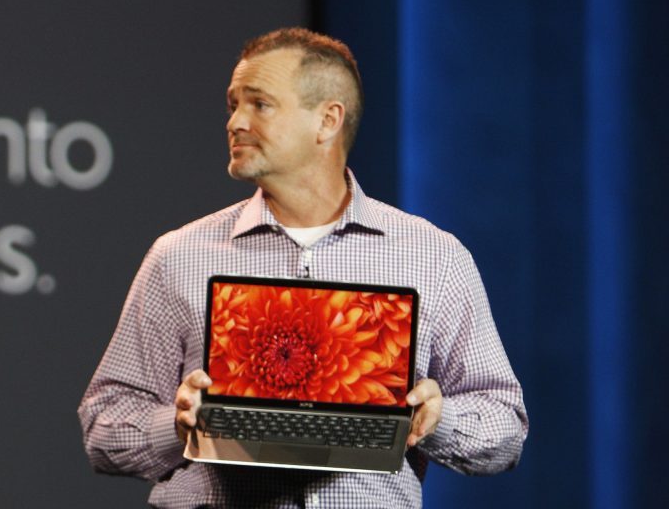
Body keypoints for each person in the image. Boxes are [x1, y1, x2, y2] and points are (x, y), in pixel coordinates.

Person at [78, 27, 528, 508]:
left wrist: (438, 420)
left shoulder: (433, 256)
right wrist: (177, 423)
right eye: (233, 105)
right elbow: (104, 426)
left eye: (259, 104)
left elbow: (504, 427)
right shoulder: (180, 255)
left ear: (327, 121)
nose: (235, 122)